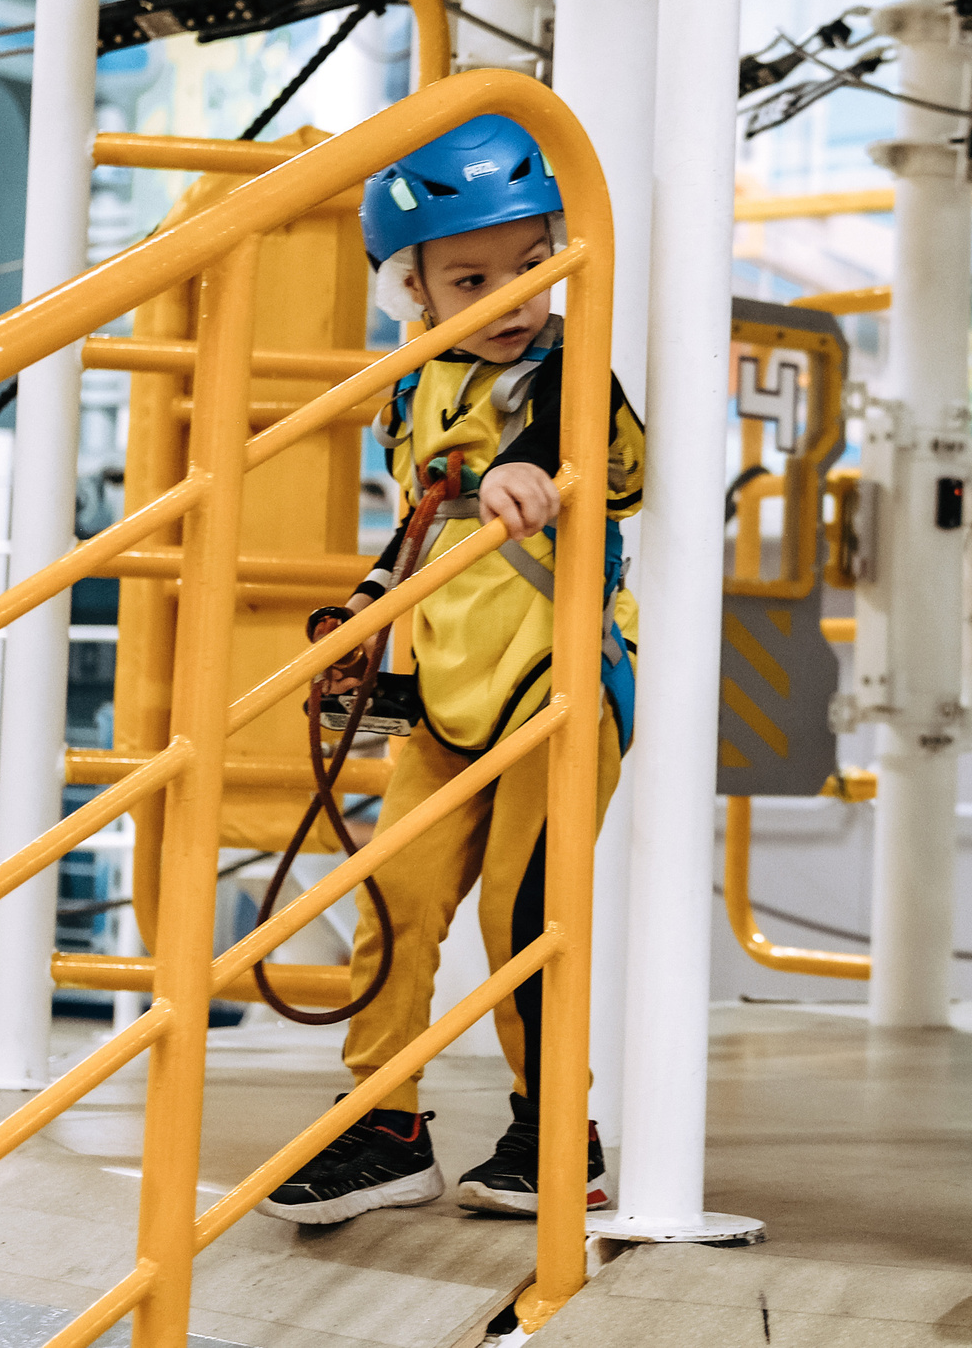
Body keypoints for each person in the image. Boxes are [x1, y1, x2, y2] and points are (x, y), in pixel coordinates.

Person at [256, 114, 643, 1226]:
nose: (514, 296)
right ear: (410, 288)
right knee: (394, 899)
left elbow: (579, 440)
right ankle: (384, 1125)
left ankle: (553, 1134)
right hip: (440, 691)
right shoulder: (410, 389)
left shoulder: (573, 368)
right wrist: (371, 614)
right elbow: (417, 527)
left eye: (533, 264)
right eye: (472, 276)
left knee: (525, 916)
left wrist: (535, 473)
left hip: (555, 684)